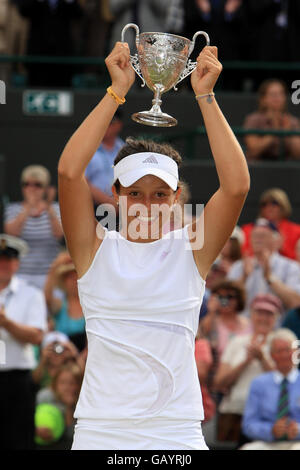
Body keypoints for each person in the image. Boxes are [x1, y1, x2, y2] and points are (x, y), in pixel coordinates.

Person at [57, 41, 250, 450]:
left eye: (160, 194)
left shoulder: (192, 249)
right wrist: (117, 91)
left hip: (175, 431)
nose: (147, 204)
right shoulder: (94, 249)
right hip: (100, 432)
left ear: (177, 197)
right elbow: (69, 173)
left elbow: (236, 187)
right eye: (135, 193)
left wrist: (206, 95)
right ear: (115, 194)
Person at [213, 293, 281, 444]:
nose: (263, 318)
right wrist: (246, 361)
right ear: (251, 314)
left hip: (269, 418)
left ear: (276, 317)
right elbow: (219, 383)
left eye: (269, 314)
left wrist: (262, 359)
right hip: (234, 414)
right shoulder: (237, 342)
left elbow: (286, 382)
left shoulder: (283, 343)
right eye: (259, 313)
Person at [0, 234, 47, 449]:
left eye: (8, 259)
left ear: (16, 263)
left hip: (17, 380)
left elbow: (37, 336)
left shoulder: (31, 294)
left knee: (20, 440)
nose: (4, 264)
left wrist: (6, 323)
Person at [4, 165, 63, 289]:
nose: (31, 189)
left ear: (46, 188)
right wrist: (28, 208)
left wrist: (49, 207)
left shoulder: (56, 209)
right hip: (20, 274)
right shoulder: (13, 209)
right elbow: (11, 233)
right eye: (27, 184)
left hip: (49, 274)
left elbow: (60, 234)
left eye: (37, 185)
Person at [241, 328, 300, 450]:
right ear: (272, 355)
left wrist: (298, 429)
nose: (284, 355)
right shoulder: (259, 384)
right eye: (279, 351)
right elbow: (248, 425)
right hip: (268, 442)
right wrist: (270, 430)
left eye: (287, 350)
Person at [228, 217, 300, 315]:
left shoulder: (291, 267)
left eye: (262, 236)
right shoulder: (239, 266)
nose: (257, 239)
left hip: (277, 328)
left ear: (277, 240)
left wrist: (270, 278)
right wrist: (244, 277)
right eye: (254, 236)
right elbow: (225, 301)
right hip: (243, 327)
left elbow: (296, 303)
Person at [243, 79, 300, 161]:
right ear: (263, 99)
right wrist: (274, 132)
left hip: (287, 170)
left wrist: (287, 133)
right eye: (273, 94)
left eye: (281, 94)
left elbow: (298, 153)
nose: (277, 98)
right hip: (257, 169)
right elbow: (253, 150)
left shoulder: (293, 121)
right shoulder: (253, 119)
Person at [241, 188, 300, 261]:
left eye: (274, 203)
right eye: (264, 204)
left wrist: (281, 248)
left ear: (283, 206)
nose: (269, 207)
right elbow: (244, 254)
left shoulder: (297, 231)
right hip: (254, 267)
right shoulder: (248, 229)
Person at [35, 361, 83, 449]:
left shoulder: (82, 403)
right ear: (55, 385)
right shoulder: (45, 397)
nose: (67, 387)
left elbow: (71, 437)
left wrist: (69, 409)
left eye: (72, 383)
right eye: (63, 383)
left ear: (79, 385)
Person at [200, 279, 251, 361]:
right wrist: (211, 311)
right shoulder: (211, 321)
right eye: (220, 297)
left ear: (239, 299)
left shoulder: (250, 324)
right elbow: (203, 332)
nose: (225, 301)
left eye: (229, 297)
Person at [44, 251, 86, 351]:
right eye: (70, 277)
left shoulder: (91, 305)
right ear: (64, 281)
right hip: (62, 358)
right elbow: (47, 298)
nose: (74, 280)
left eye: (77, 275)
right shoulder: (59, 305)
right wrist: (55, 266)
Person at [85, 110, 124, 208]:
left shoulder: (126, 149)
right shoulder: (87, 149)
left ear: (119, 125)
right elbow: (81, 181)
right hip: (93, 207)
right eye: (102, 122)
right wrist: (108, 202)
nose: (105, 126)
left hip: (123, 207)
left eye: (110, 123)